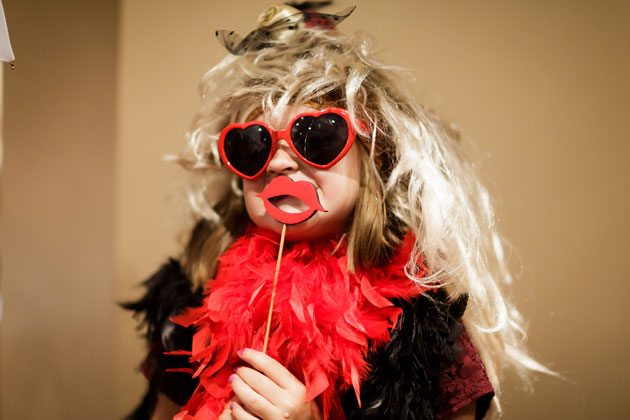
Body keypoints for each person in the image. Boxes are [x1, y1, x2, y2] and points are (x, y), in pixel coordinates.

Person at [124, 3, 550, 420]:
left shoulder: (427, 330)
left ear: (375, 156)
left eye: (316, 136)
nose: (278, 163)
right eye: (253, 145)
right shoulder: (189, 300)